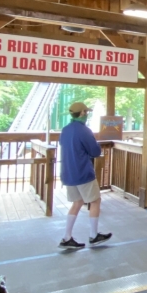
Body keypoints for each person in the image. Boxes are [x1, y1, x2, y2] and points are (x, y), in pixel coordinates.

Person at [58, 101, 112, 250]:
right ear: (82, 113)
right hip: (83, 172)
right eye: (86, 112)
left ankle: (66, 237)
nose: (87, 114)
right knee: (95, 201)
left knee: (77, 202)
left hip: (68, 172)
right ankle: (94, 235)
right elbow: (95, 152)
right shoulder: (84, 131)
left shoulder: (65, 130)